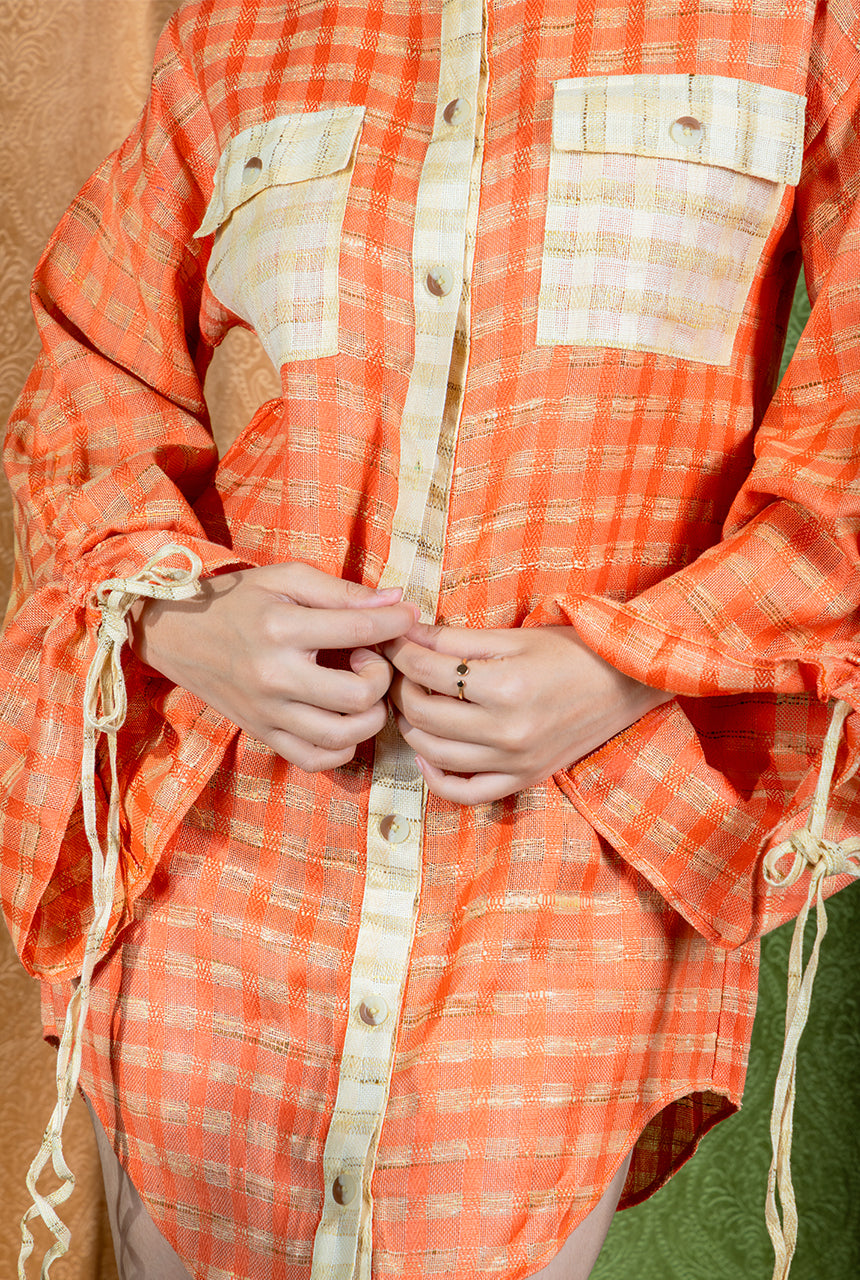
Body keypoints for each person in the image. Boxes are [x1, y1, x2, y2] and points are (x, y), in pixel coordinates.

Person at [2, 1, 860, 1278]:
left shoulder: (793, 22)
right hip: (225, 870)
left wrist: (630, 660)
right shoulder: (241, 33)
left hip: (559, 880)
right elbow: (91, 366)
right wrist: (190, 614)